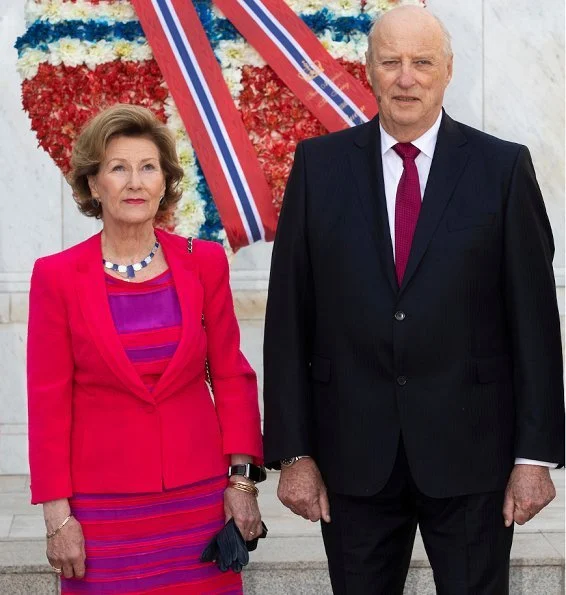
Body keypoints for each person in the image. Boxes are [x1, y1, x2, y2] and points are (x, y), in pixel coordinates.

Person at [263, 5, 564, 594]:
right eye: (391, 62)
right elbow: (288, 319)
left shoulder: (502, 169)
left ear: (447, 70)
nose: (407, 77)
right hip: (352, 455)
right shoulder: (318, 167)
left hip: (474, 453)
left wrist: (535, 455)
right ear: (368, 71)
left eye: (422, 62)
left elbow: (534, 321)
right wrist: (293, 451)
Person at [27, 104, 264, 594]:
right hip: (102, 510)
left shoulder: (205, 262)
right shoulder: (56, 277)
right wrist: (57, 517)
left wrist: (241, 483)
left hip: (197, 502)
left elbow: (232, 375)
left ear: (164, 182)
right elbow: (48, 404)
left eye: (148, 167)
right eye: (118, 168)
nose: (135, 182)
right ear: (94, 185)